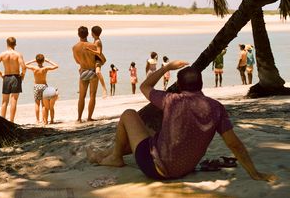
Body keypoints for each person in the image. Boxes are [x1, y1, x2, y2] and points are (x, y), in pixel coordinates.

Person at [86, 60, 276, 182]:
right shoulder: (216, 108)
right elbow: (234, 144)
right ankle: (108, 153)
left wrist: (166, 67)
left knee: (128, 114)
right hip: (183, 169)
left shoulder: (172, 100)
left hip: (155, 169)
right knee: (151, 133)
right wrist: (254, 173)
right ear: (201, 84)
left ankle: (115, 158)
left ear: (179, 85)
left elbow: (145, 86)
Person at [0, 37, 26, 123]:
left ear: (7, 44)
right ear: (15, 44)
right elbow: (24, 67)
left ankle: (2, 121)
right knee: (13, 100)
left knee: (4, 101)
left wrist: (1, 74)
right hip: (15, 77)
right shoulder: (18, 54)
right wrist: (22, 75)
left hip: (6, 78)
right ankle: (12, 121)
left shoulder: (2, 54)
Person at [72, 26, 101, 123]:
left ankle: (79, 118)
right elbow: (99, 58)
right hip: (92, 71)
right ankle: (89, 117)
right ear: (88, 34)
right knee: (92, 95)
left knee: (81, 96)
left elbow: (77, 61)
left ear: (78, 34)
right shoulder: (92, 46)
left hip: (83, 71)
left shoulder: (75, 47)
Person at [25, 54, 59, 124]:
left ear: (36, 61)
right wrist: (48, 61)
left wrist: (33, 61)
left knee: (37, 104)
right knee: (44, 104)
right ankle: (44, 119)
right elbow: (56, 66)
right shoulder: (45, 68)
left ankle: (37, 120)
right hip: (44, 86)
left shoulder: (34, 68)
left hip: (36, 86)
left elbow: (24, 64)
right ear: (43, 61)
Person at [86, 26, 108, 98]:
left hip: (98, 59)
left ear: (93, 33)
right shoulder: (95, 40)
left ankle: (104, 89)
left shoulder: (98, 41)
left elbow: (99, 52)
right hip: (94, 58)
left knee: (98, 72)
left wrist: (89, 50)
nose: (91, 33)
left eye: (91, 32)